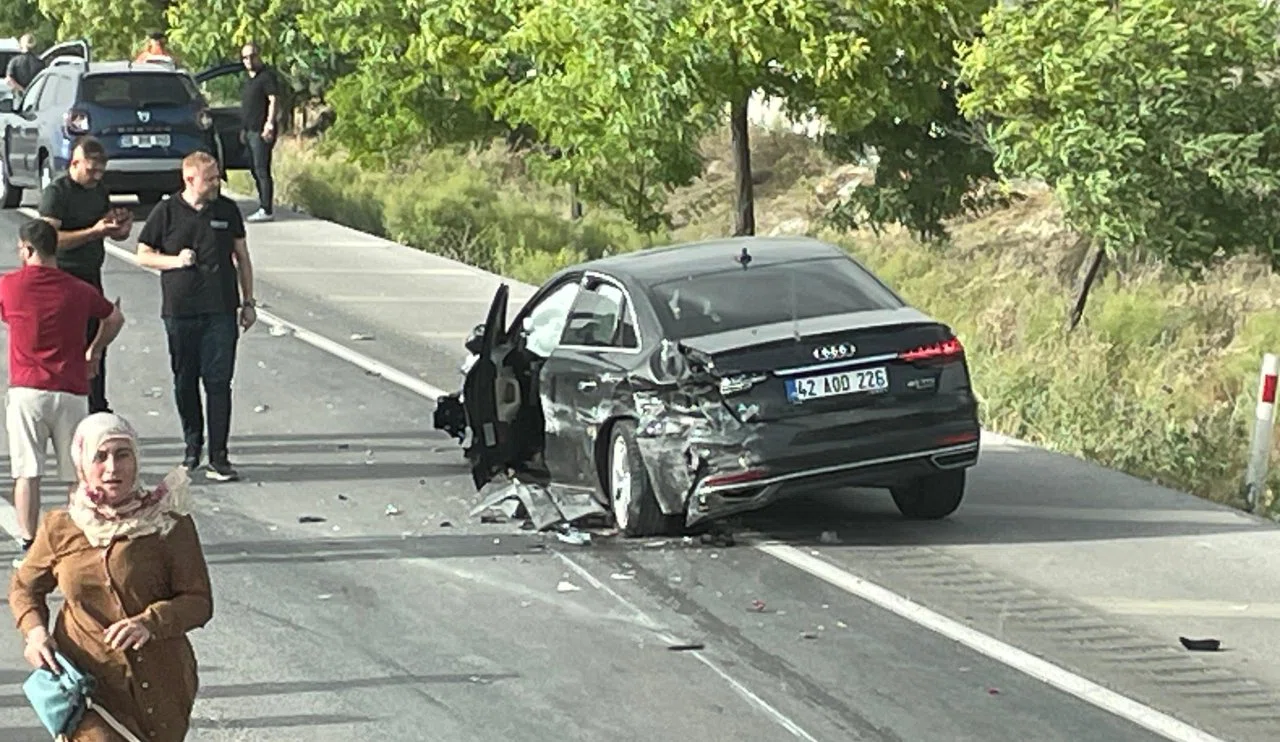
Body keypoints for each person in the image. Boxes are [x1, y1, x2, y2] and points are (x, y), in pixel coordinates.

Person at [9, 412, 212, 742]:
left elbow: (199, 601)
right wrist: (34, 632)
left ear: (137, 459)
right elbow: (25, 587)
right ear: (81, 463)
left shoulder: (168, 524)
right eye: (100, 456)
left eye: (122, 454)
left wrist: (150, 622)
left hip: (162, 685)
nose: (112, 468)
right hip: (89, 688)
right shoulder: (61, 527)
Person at [0, 219, 125, 566]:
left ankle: (29, 545)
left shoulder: (9, 285)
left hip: (27, 390)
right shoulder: (78, 289)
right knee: (76, 476)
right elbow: (114, 317)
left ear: (28, 250)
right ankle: (75, 545)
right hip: (71, 390)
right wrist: (93, 351)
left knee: (27, 472)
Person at [136, 150, 256, 481]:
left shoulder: (226, 210)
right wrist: (175, 261)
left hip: (221, 309)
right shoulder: (166, 211)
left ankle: (219, 456)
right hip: (181, 311)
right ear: (190, 179)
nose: (217, 183)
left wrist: (248, 302)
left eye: (218, 177)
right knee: (185, 381)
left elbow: (242, 257)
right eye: (210, 178)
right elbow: (143, 254)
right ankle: (193, 447)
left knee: (218, 382)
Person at [39, 136, 133, 415]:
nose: (96, 176)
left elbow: (104, 228)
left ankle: (96, 404)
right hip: (63, 275)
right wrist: (93, 232)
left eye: (100, 171)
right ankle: (65, 403)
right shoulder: (58, 192)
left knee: (96, 337)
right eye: (91, 170)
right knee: (66, 342)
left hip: (91, 274)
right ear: (74, 163)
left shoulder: (98, 190)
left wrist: (118, 229)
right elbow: (47, 240)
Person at [239, 42, 280, 223]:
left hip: (261, 131)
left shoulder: (266, 77)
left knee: (262, 169)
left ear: (258, 56)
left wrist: (269, 124)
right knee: (254, 168)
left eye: (252, 56)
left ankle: (266, 209)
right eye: (245, 57)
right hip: (249, 131)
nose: (249, 60)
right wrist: (243, 129)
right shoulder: (249, 79)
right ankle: (262, 203)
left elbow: (273, 100)